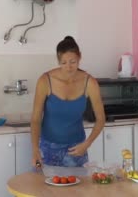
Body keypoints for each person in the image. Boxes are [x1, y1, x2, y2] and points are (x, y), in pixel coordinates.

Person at [30, 36, 105, 168]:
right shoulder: (45, 81)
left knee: (78, 189)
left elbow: (101, 119)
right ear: (58, 61)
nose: (69, 67)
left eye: (73, 62)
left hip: (77, 150)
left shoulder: (90, 83)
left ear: (79, 57)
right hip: (47, 150)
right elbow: (36, 119)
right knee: (45, 188)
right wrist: (35, 149)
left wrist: (87, 144)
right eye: (64, 63)